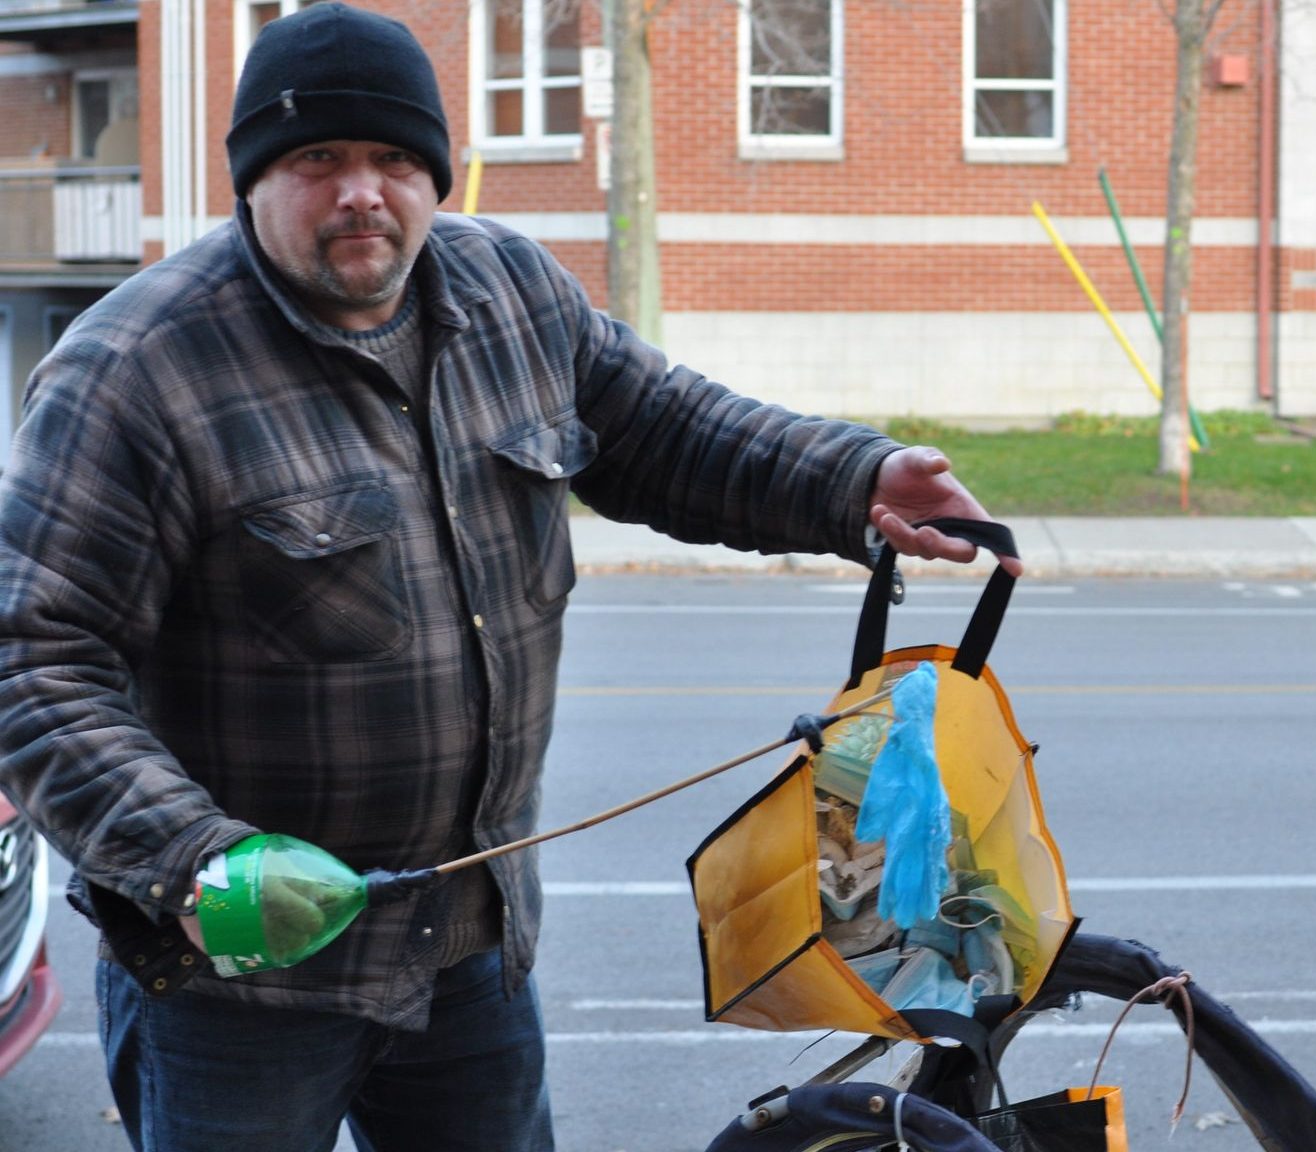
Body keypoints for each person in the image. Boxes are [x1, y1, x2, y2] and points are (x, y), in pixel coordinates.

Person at [0, 5, 1014, 1150]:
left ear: (434, 170)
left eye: (392, 158)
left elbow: (670, 431)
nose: (361, 194)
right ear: (251, 180)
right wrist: (194, 857)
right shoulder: (135, 372)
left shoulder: (510, 297)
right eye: (316, 160)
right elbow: (34, 661)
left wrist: (855, 480)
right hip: (239, 985)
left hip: (464, 952)